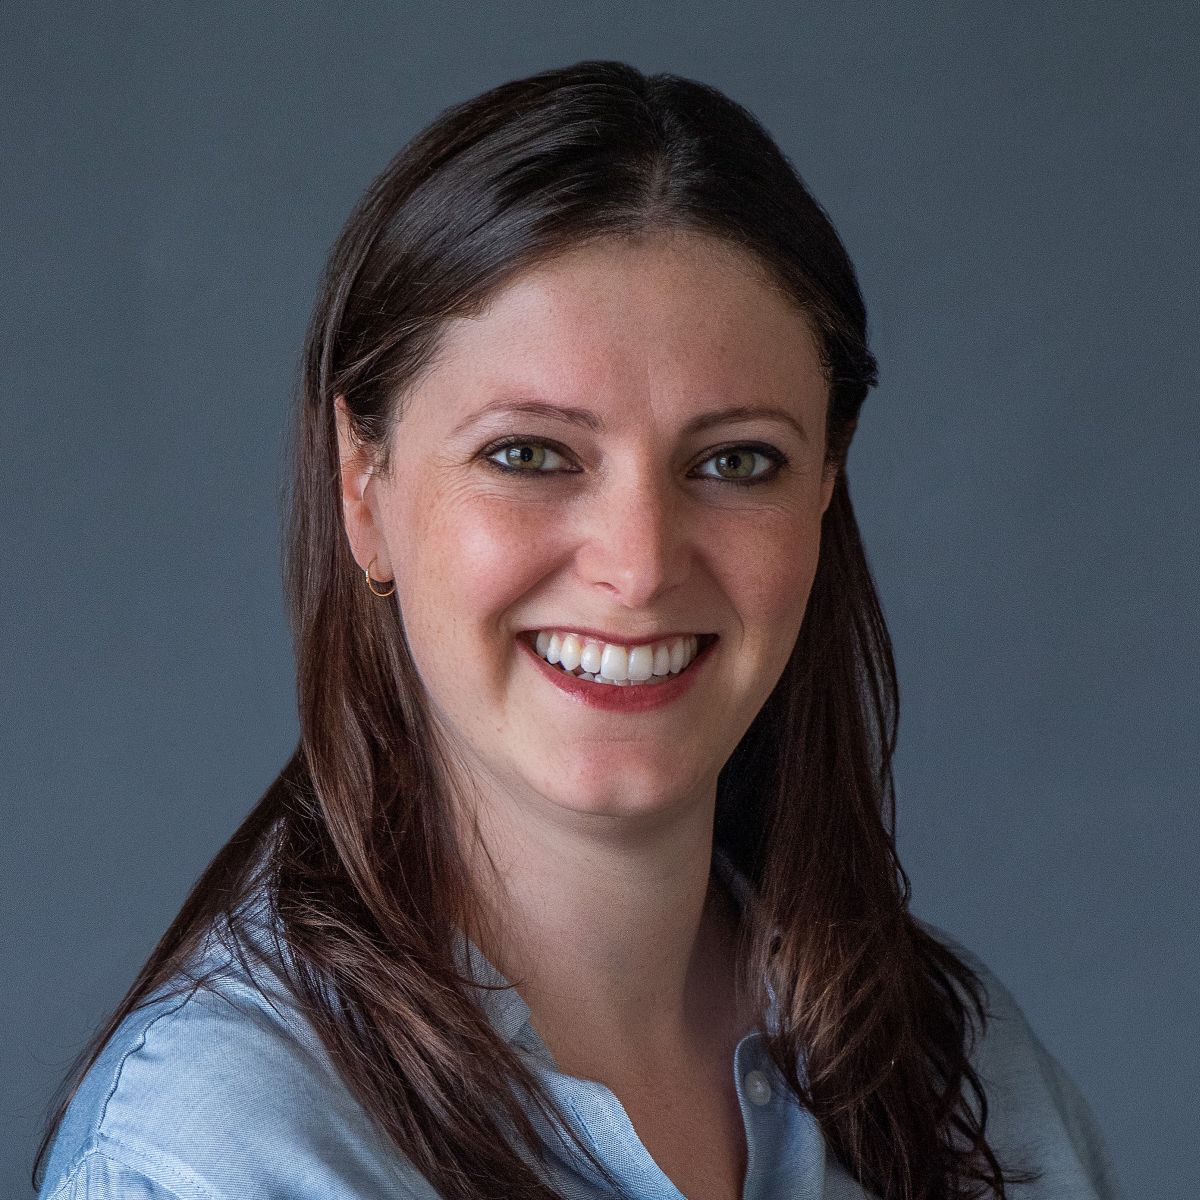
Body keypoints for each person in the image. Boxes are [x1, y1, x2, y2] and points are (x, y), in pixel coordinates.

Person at [32, 60, 1122, 1200]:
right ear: (364, 486)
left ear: (825, 488)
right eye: (529, 455)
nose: (640, 567)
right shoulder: (209, 1159)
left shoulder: (968, 1079)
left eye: (736, 461)